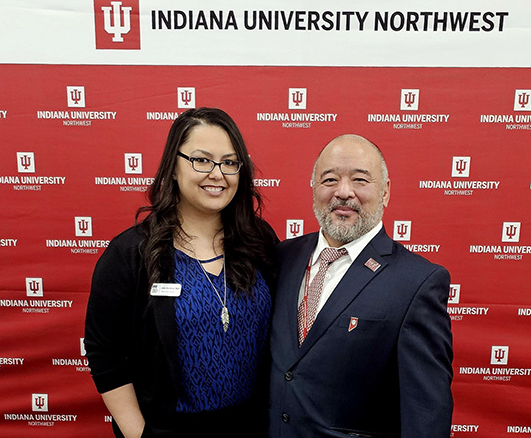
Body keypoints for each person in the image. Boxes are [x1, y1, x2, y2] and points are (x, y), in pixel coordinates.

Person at [85, 107, 278, 438]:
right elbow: (105, 353)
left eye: (230, 162)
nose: (217, 174)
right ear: (173, 166)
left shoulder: (260, 241)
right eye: (201, 160)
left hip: (255, 426)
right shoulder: (131, 253)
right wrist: (140, 434)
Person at [269, 134, 453, 438]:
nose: (344, 192)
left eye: (360, 180)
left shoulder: (418, 282)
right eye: (329, 179)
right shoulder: (283, 257)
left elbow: (425, 413)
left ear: (385, 192)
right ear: (313, 187)